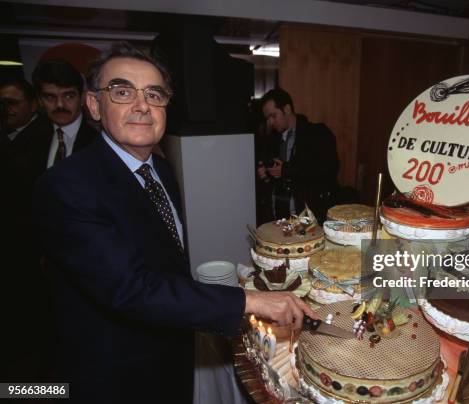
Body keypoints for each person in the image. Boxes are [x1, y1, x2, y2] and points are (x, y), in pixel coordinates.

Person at [32, 42, 315, 404]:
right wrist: (249, 300)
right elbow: (132, 288)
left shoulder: (161, 170)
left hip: (172, 355)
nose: (141, 105)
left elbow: (166, 263)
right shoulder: (67, 185)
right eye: (122, 92)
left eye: (154, 93)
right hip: (116, 375)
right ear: (94, 105)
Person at [0, 78, 53, 381]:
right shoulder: (9, 139)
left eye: (12, 102)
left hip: (31, 249)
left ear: (32, 106)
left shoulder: (43, 140)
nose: (5, 109)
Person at [258, 88, 339, 223]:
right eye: (268, 118)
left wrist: (286, 170)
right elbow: (271, 181)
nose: (270, 122)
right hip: (278, 219)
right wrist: (265, 175)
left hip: (309, 220)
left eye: (273, 116)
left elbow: (329, 168)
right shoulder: (271, 139)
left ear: (287, 109)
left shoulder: (317, 134)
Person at [31, 59, 98, 169]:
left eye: (68, 96)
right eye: (50, 97)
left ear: (82, 98)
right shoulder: (30, 138)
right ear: (40, 100)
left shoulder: (99, 139)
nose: (60, 105)